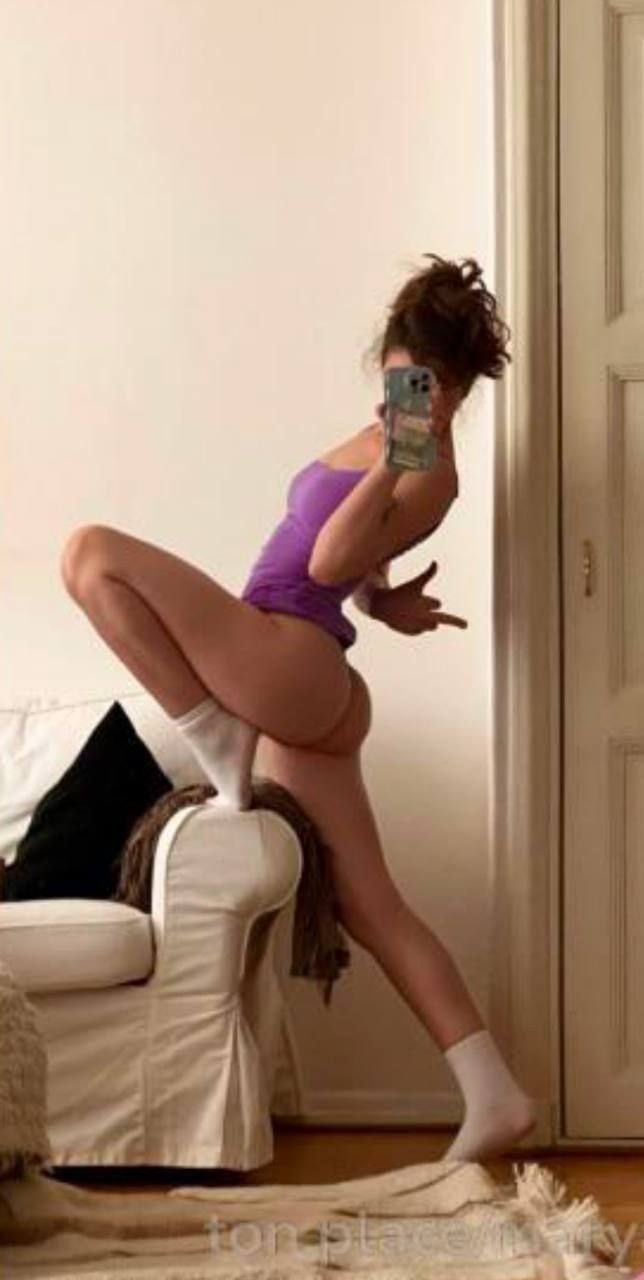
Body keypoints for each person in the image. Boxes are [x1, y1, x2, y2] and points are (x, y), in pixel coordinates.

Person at [60, 252, 536, 1163]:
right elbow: (354, 568)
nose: (406, 398)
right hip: (302, 672)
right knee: (371, 904)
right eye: (398, 377)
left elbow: (324, 561)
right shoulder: (386, 445)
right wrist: (385, 601)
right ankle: (495, 1092)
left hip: (289, 656)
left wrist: (398, 456)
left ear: (451, 391)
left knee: (90, 554)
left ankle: (215, 733)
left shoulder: (426, 468)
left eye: (425, 388)